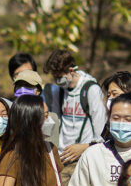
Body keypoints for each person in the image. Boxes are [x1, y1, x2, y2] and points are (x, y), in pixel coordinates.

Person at [44, 49, 108, 177]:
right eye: (54, 77)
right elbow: (56, 122)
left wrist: (84, 147)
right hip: (62, 156)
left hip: (82, 158)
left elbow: (101, 132)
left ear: (71, 70)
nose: (57, 81)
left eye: (59, 76)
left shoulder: (91, 89)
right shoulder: (61, 90)